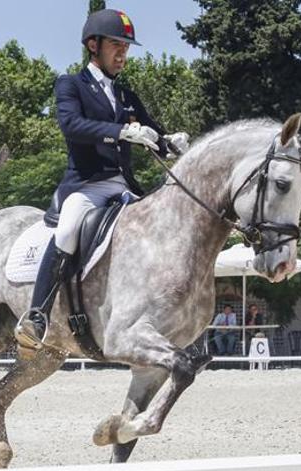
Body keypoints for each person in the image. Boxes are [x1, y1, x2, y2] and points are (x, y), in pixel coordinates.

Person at [14, 9, 189, 349]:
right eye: (116, 45)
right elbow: (72, 126)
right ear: (93, 45)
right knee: (66, 231)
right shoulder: (71, 85)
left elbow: (151, 132)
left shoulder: (125, 95)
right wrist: (122, 131)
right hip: (87, 186)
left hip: (124, 189)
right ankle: (37, 315)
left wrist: (170, 144)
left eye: (126, 46)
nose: (123, 53)